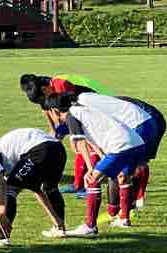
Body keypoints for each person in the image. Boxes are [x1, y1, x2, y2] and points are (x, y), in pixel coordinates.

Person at [43, 92, 147, 237]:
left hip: (121, 145)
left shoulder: (71, 116)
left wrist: (91, 169)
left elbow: (80, 142)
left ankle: (90, 227)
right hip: (137, 143)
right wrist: (101, 156)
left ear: (54, 111)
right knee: (123, 178)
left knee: (92, 180)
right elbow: (91, 138)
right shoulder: (81, 110)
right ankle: (124, 219)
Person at [65, 92, 164, 225]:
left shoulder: (80, 108)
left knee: (118, 172)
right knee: (129, 169)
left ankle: (114, 212)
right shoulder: (88, 98)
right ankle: (125, 213)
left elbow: (84, 140)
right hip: (146, 121)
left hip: (138, 124)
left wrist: (94, 166)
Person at [0, 127, 68, 245]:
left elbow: (2, 185)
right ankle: (60, 228)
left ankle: (2, 238)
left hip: (39, 150)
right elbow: (38, 191)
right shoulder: (11, 162)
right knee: (49, 188)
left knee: (10, 190)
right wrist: (56, 219)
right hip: (58, 149)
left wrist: (1, 213)